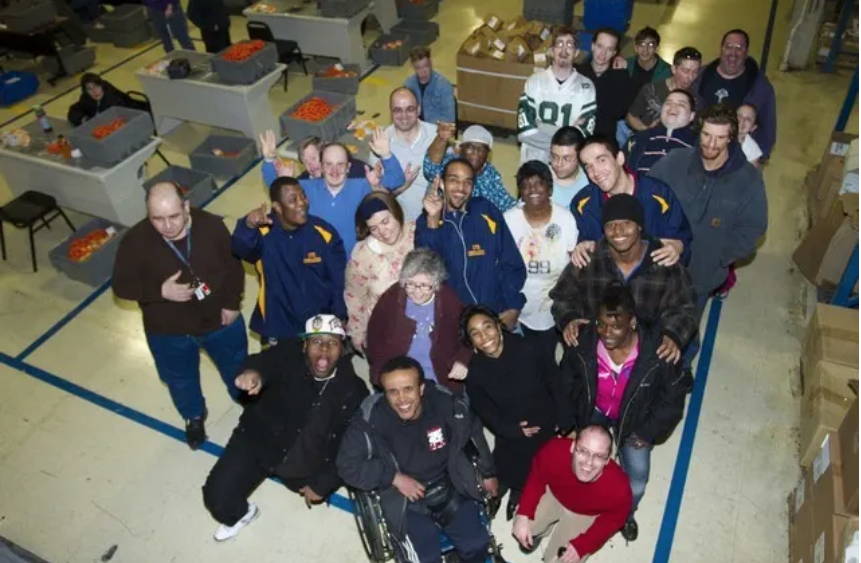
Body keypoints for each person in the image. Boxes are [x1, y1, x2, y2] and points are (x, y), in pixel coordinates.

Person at [202, 315, 368, 541]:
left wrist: (323, 483)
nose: (324, 350)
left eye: (333, 343)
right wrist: (253, 373)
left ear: (343, 349)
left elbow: (352, 446)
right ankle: (244, 515)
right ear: (305, 344)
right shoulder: (287, 353)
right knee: (217, 498)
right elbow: (261, 362)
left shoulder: (355, 391)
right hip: (259, 441)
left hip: (305, 464)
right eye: (317, 342)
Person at [112, 182, 246, 449]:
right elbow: (121, 286)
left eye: (174, 216)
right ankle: (193, 417)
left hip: (219, 322)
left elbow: (234, 266)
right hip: (168, 331)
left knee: (237, 366)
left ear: (186, 207)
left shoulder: (211, 227)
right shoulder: (135, 241)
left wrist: (232, 304)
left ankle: (246, 400)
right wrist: (159, 291)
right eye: (157, 219)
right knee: (180, 380)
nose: (168, 226)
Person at [559, 283, 691, 542]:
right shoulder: (585, 340)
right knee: (577, 461)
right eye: (601, 324)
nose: (606, 333)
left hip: (636, 421)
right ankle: (580, 500)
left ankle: (624, 514)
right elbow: (565, 379)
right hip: (594, 410)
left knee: (638, 481)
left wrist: (647, 432)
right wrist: (570, 422)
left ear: (632, 322)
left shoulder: (659, 353)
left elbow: (672, 401)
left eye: (616, 326)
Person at [337, 356, 498, 563]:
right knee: (425, 559)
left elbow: (473, 430)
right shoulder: (370, 420)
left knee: (477, 545)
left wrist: (488, 472)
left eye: (408, 389)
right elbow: (347, 466)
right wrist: (393, 477)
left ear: (421, 388)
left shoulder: (445, 404)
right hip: (405, 502)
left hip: (450, 485)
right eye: (392, 392)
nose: (401, 399)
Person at [648, 103, 767, 370]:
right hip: (662, 268)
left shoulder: (747, 179)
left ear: (732, 137)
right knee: (654, 320)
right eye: (706, 135)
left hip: (701, 275)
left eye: (720, 137)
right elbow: (647, 196)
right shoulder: (674, 162)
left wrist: (719, 258)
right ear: (698, 132)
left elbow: (753, 227)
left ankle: (680, 370)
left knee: (686, 327)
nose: (711, 144)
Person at [550, 195, 697, 365]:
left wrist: (673, 335)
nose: (618, 231)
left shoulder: (664, 263)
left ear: (640, 226)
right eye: (610, 225)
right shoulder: (588, 261)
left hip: (648, 356)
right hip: (595, 354)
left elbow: (686, 307)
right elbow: (561, 297)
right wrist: (569, 319)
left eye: (626, 223)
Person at [462, 306, 563, 521]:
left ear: (499, 326)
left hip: (541, 420)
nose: (484, 337)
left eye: (487, 327)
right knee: (506, 460)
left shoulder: (529, 347)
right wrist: (511, 429)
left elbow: (555, 380)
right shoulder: (476, 371)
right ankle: (501, 488)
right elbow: (484, 410)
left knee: (535, 463)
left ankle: (520, 492)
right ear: (471, 341)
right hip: (508, 427)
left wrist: (563, 419)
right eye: (475, 333)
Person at [232, 176, 346, 344]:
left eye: (303, 196)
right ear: (277, 207)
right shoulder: (262, 234)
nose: (302, 203)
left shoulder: (323, 232)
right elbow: (239, 248)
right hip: (279, 326)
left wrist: (339, 316)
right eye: (293, 200)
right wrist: (247, 225)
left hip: (319, 324)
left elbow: (339, 281)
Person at [416, 158, 527, 330]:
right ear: (442, 183)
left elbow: (512, 262)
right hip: (455, 324)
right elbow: (426, 273)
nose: (461, 188)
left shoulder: (486, 210)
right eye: (454, 180)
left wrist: (513, 306)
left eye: (467, 182)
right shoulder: (426, 222)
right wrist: (432, 219)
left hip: (498, 317)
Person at [260, 129, 405, 254]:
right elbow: (276, 189)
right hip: (319, 266)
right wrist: (268, 159)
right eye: (328, 164)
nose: (334, 171)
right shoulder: (305, 188)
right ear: (322, 167)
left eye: (340, 164)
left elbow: (397, 180)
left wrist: (386, 155)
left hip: (355, 265)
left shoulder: (362, 186)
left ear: (348, 167)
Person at [512, 426, 632, 562]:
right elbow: (537, 477)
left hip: (585, 515)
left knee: (562, 561)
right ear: (572, 446)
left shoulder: (619, 487)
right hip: (554, 495)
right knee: (523, 523)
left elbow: (613, 519)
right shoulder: (554, 450)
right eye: (583, 451)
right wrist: (524, 512)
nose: (589, 462)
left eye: (599, 456)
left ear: (607, 460)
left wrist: (582, 546)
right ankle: (542, 531)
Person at [571, 134, 692, 268]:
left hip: (653, 280)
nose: (595, 172)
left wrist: (677, 247)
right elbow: (585, 242)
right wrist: (582, 247)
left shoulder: (658, 194)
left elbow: (682, 237)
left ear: (620, 158)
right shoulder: (584, 203)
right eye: (588, 167)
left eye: (601, 160)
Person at [366, 248, 471, 391]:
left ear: (436, 284)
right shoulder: (391, 298)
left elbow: (468, 336)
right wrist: (382, 372)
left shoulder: (449, 301)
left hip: (439, 378)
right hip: (399, 378)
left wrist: (462, 361)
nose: (416, 291)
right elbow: (373, 338)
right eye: (410, 284)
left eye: (424, 286)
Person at [504, 161, 578, 360]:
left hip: (554, 305)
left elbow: (575, 264)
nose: (532, 189)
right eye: (526, 185)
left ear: (550, 188)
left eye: (538, 183)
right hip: (517, 308)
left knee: (549, 362)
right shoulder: (509, 220)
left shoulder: (565, 219)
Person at [344, 192, 415, 352]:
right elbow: (354, 296)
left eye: (385, 221)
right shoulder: (362, 253)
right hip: (383, 330)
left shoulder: (418, 234)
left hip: (423, 328)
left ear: (396, 212)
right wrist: (357, 333)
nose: (383, 232)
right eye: (374, 228)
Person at [691, 28, 777, 158]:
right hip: (697, 148)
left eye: (739, 48)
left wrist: (758, 157)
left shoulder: (761, 88)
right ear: (721, 50)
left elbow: (768, 129)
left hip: (737, 154)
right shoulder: (700, 77)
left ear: (746, 53)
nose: (733, 53)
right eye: (728, 47)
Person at [517, 26, 597, 163]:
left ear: (576, 52)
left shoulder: (587, 87)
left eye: (569, 45)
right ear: (552, 51)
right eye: (559, 44)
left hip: (567, 165)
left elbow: (584, 136)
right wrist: (569, 132)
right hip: (534, 159)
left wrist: (542, 127)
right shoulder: (534, 81)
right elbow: (525, 132)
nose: (564, 50)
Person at [367, 87, 437, 220]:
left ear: (419, 109)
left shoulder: (436, 137)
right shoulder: (380, 143)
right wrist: (402, 187)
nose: (404, 116)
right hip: (398, 223)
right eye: (397, 110)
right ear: (391, 112)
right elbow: (379, 197)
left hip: (433, 219)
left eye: (409, 109)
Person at [424, 123, 517, 212]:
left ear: (488, 154)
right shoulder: (451, 163)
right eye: (470, 147)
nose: (475, 152)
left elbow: (504, 203)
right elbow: (430, 169)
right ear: (461, 149)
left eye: (481, 149)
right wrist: (442, 138)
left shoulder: (490, 173)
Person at [576, 28, 634, 141]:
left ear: (614, 53)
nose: (603, 53)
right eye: (599, 46)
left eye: (609, 49)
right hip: (577, 135)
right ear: (592, 46)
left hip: (604, 140)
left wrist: (620, 77)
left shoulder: (620, 76)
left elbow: (619, 113)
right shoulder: (577, 73)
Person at [626, 46, 702, 133]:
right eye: (685, 71)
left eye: (695, 72)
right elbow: (631, 116)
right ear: (673, 69)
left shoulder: (696, 99)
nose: (690, 77)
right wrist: (645, 130)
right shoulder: (651, 89)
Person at [626, 89, 698, 174]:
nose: (672, 107)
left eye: (681, 104)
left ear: (692, 116)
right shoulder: (637, 139)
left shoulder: (698, 145)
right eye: (668, 103)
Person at [67, 73, 146, 126]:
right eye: (90, 89)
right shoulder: (86, 98)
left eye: (97, 86)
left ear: (102, 86)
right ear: (85, 91)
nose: (95, 91)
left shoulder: (114, 101)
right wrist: (83, 119)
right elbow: (74, 111)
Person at [404, 46, 456, 125]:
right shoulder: (409, 85)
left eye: (426, 66)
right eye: (418, 68)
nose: (423, 71)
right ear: (413, 67)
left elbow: (449, 118)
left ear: (431, 63)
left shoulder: (444, 86)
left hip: (436, 129)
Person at [549, 126, 590, 209]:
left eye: (566, 158)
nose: (559, 164)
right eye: (554, 157)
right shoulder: (538, 180)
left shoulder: (590, 181)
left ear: (580, 158)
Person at [625, 27, 672, 96]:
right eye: (642, 44)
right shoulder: (626, 65)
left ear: (657, 48)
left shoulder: (667, 71)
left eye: (651, 45)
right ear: (636, 47)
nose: (645, 50)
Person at [295, 136, 367, 181]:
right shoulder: (304, 181)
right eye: (305, 162)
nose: (310, 164)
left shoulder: (356, 170)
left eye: (313, 158)